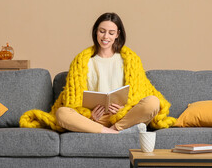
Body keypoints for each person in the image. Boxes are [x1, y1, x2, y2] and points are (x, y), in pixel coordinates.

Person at [20, 12, 176, 133]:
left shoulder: (131, 59)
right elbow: (73, 101)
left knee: (153, 102)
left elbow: (139, 95)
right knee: (62, 113)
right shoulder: (82, 60)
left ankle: (114, 130)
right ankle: (112, 132)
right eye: (102, 31)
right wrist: (90, 115)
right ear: (96, 32)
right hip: (95, 119)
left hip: (125, 117)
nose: (106, 36)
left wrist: (124, 110)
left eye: (110, 32)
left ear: (117, 34)